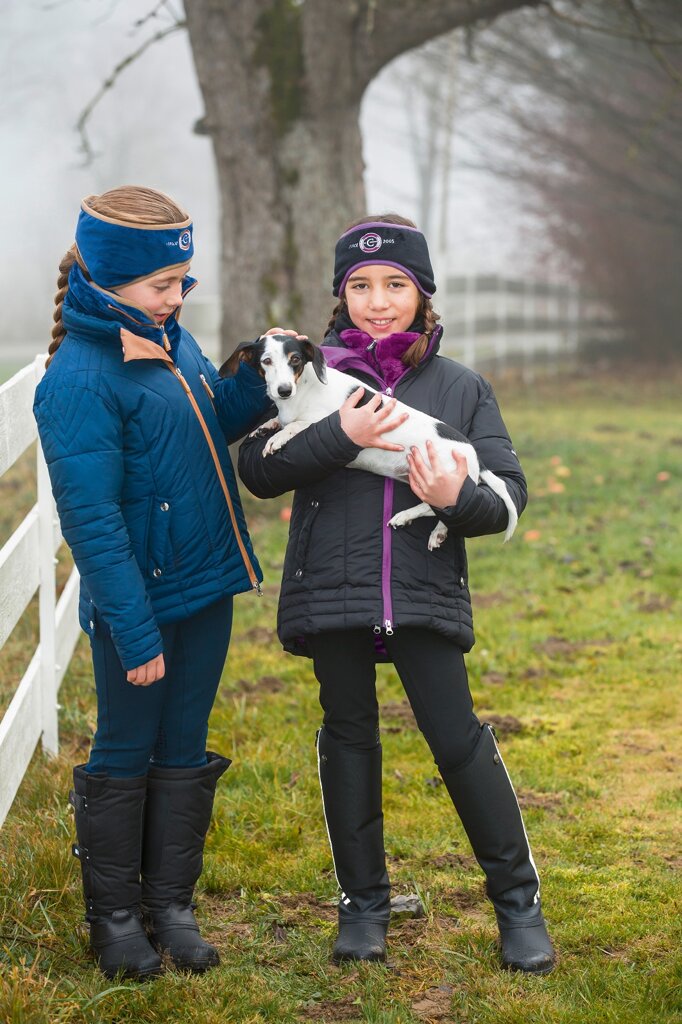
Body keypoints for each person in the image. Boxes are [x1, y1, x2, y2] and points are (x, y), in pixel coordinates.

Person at [237, 215, 555, 974]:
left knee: (457, 739)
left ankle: (518, 906)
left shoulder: (461, 387)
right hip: (332, 588)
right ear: (340, 295)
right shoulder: (297, 374)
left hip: (423, 590)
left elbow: (506, 494)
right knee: (348, 737)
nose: (377, 302)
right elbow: (259, 470)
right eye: (360, 286)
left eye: (395, 285)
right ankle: (362, 907)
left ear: (423, 294)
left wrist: (454, 498)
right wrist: (342, 436)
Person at [33, 186, 277, 980]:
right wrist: (133, 632)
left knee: (183, 745)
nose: (178, 297)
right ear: (110, 280)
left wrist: (254, 372)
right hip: (137, 606)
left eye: (182, 282)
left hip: (205, 587)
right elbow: (94, 524)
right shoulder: (78, 381)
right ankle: (114, 918)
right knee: (125, 748)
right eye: (163, 284)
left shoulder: (171, 340)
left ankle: (170, 906)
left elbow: (209, 424)